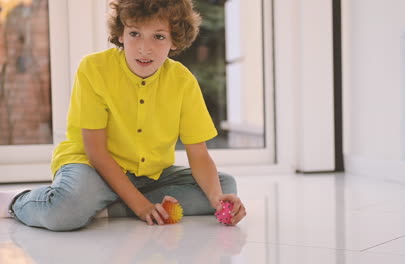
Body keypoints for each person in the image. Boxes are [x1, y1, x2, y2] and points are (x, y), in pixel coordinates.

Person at [0, 0, 246, 231]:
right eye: (135, 33)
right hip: (91, 167)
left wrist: (218, 199)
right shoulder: (93, 69)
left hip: (149, 175)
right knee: (66, 211)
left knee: (225, 185)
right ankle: (18, 201)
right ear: (120, 34)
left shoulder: (183, 81)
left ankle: (105, 208)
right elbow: (96, 152)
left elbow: (199, 154)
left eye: (159, 36)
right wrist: (140, 206)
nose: (144, 48)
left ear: (175, 41)